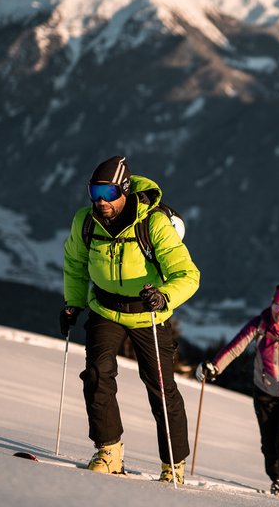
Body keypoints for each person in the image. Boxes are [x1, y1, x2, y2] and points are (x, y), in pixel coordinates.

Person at [61, 155, 200, 484]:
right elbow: (74, 264)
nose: (101, 201)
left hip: (147, 313)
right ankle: (109, 451)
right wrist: (73, 305)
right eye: (95, 192)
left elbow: (188, 274)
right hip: (105, 309)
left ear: (125, 191)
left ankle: (173, 464)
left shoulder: (152, 224)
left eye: (108, 194)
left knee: (162, 390)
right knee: (97, 375)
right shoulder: (85, 222)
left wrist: (165, 295)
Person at [196, 284, 279, 498]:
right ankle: (276, 479)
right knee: (268, 446)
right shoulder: (260, 324)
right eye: (277, 305)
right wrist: (214, 366)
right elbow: (235, 347)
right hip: (264, 392)